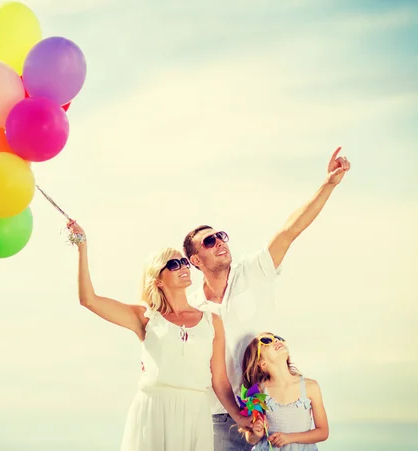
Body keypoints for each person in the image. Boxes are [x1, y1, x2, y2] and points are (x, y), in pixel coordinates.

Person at [182, 147, 349, 450]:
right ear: (195, 260)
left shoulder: (253, 269)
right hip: (219, 416)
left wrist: (329, 184)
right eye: (209, 241)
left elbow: (290, 230)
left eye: (221, 235)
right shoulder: (192, 306)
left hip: (272, 409)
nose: (219, 241)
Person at [67, 221, 253, 451]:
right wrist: (82, 247)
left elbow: (220, 380)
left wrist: (240, 417)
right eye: (174, 264)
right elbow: (89, 300)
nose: (183, 267)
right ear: (158, 279)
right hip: (154, 411)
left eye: (184, 262)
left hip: (196, 414)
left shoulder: (212, 321)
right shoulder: (146, 317)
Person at [241, 333, 329, 450]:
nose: (276, 340)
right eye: (266, 341)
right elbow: (250, 438)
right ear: (262, 363)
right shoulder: (259, 391)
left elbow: (323, 432)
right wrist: (257, 434)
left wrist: (290, 438)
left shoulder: (310, 386)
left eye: (278, 338)